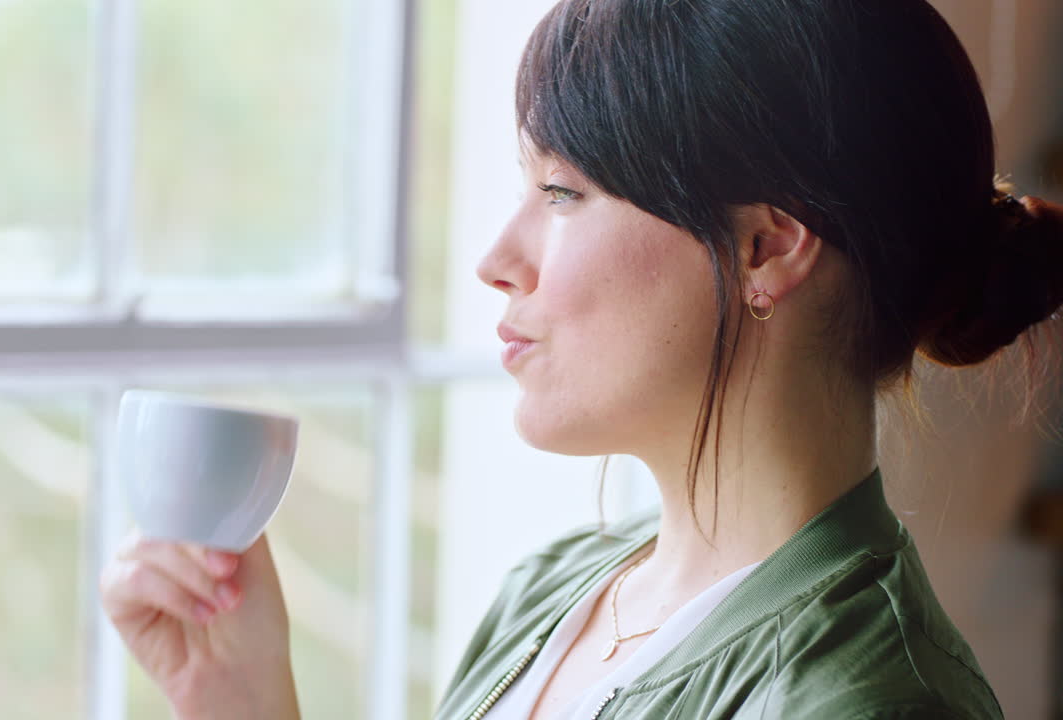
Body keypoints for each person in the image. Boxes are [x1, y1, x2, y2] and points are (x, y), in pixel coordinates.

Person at [99, 0, 1063, 717]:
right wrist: (245, 698)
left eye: (563, 192)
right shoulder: (554, 592)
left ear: (767, 247)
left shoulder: (864, 700)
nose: (495, 261)